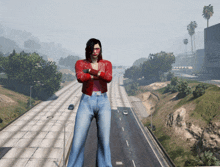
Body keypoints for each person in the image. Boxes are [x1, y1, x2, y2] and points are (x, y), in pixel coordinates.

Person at [67, 38, 113, 167]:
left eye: (97, 48)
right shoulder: (80, 63)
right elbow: (80, 78)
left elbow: (108, 78)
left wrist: (90, 72)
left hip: (103, 102)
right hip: (86, 102)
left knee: (104, 141)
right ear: (88, 49)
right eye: (92, 49)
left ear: (100, 49)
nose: (95, 51)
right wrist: (98, 74)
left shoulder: (107, 63)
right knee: (77, 142)